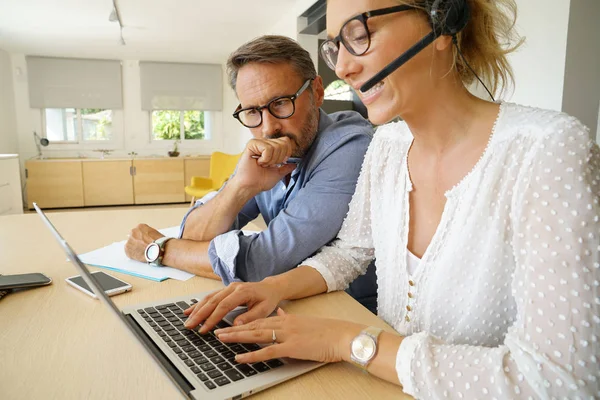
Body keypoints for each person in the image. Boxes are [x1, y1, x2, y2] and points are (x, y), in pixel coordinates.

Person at [182, 0, 600, 398]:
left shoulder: (549, 149)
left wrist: (348, 341)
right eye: (335, 47)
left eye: (360, 33)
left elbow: (560, 381)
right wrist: (272, 288)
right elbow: (349, 252)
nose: (343, 68)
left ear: (443, 20)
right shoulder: (389, 144)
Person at [124, 35, 378, 313]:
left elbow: (262, 261)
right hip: (287, 305)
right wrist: (240, 187)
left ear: (317, 92)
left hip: (351, 311)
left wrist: (161, 249)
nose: (268, 128)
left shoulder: (350, 147)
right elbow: (192, 236)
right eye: (253, 111)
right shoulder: (266, 154)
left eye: (280, 103)